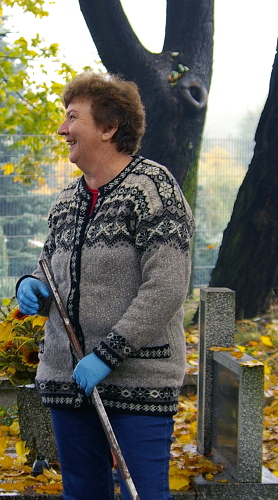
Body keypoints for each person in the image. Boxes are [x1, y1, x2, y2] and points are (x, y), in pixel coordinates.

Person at [15, 71, 195, 500]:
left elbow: (167, 287)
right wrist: (34, 286)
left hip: (139, 378)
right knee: (82, 494)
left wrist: (107, 355)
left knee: (145, 494)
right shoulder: (65, 203)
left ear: (109, 127)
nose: (62, 129)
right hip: (68, 379)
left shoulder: (154, 190)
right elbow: (53, 270)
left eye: (73, 117)